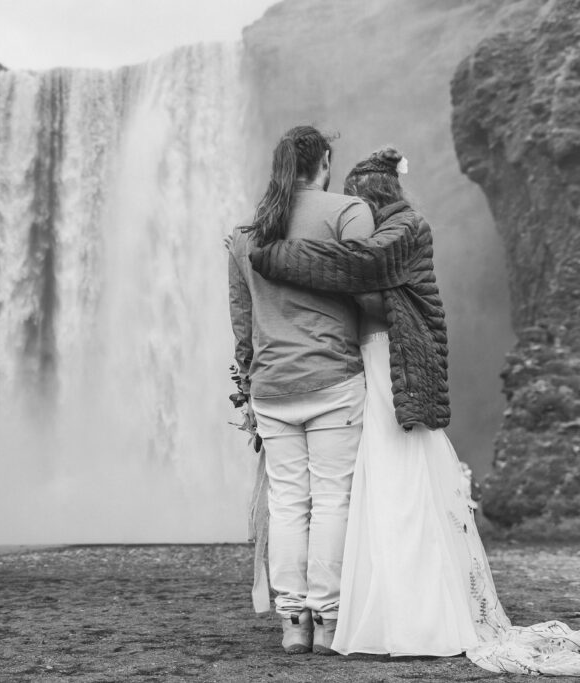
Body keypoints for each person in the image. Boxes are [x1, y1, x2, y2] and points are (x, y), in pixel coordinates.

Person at [248, 147, 580, 673]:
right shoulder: (393, 228)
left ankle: (405, 615)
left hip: (391, 364)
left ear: (372, 195)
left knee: (395, 481)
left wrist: (265, 255)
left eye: (357, 197)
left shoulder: (403, 229)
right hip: (373, 363)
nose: (350, 207)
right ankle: (363, 608)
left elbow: (355, 267)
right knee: (371, 487)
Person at [227, 125, 375, 655]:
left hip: (271, 386)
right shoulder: (348, 213)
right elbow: (370, 295)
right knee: (333, 499)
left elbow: (241, 324)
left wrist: (248, 387)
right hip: (334, 377)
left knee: (289, 504)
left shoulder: (246, 236)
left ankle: (293, 623)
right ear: (326, 162)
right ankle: (330, 619)